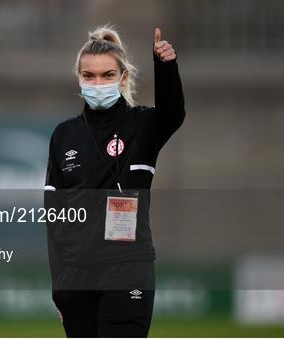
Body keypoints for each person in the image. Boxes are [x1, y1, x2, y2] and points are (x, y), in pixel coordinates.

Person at [43, 24, 185, 337]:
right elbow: (54, 219)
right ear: (79, 80)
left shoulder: (144, 125)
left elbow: (173, 113)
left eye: (107, 75)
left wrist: (165, 67)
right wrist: (60, 287)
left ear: (122, 77)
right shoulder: (64, 135)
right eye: (89, 76)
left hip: (128, 269)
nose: (98, 83)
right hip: (77, 277)